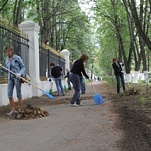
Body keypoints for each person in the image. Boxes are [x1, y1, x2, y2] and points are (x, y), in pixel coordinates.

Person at [0, 45, 26, 116]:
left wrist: (20, 74)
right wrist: (2, 68)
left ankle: (20, 110)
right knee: (9, 94)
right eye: (6, 52)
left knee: (18, 94)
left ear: (12, 51)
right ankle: (13, 110)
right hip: (10, 78)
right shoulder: (6, 59)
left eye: (8, 51)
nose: (7, 53)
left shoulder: (17, 58)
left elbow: (23, 67)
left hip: (17, 78)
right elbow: (8, 70)